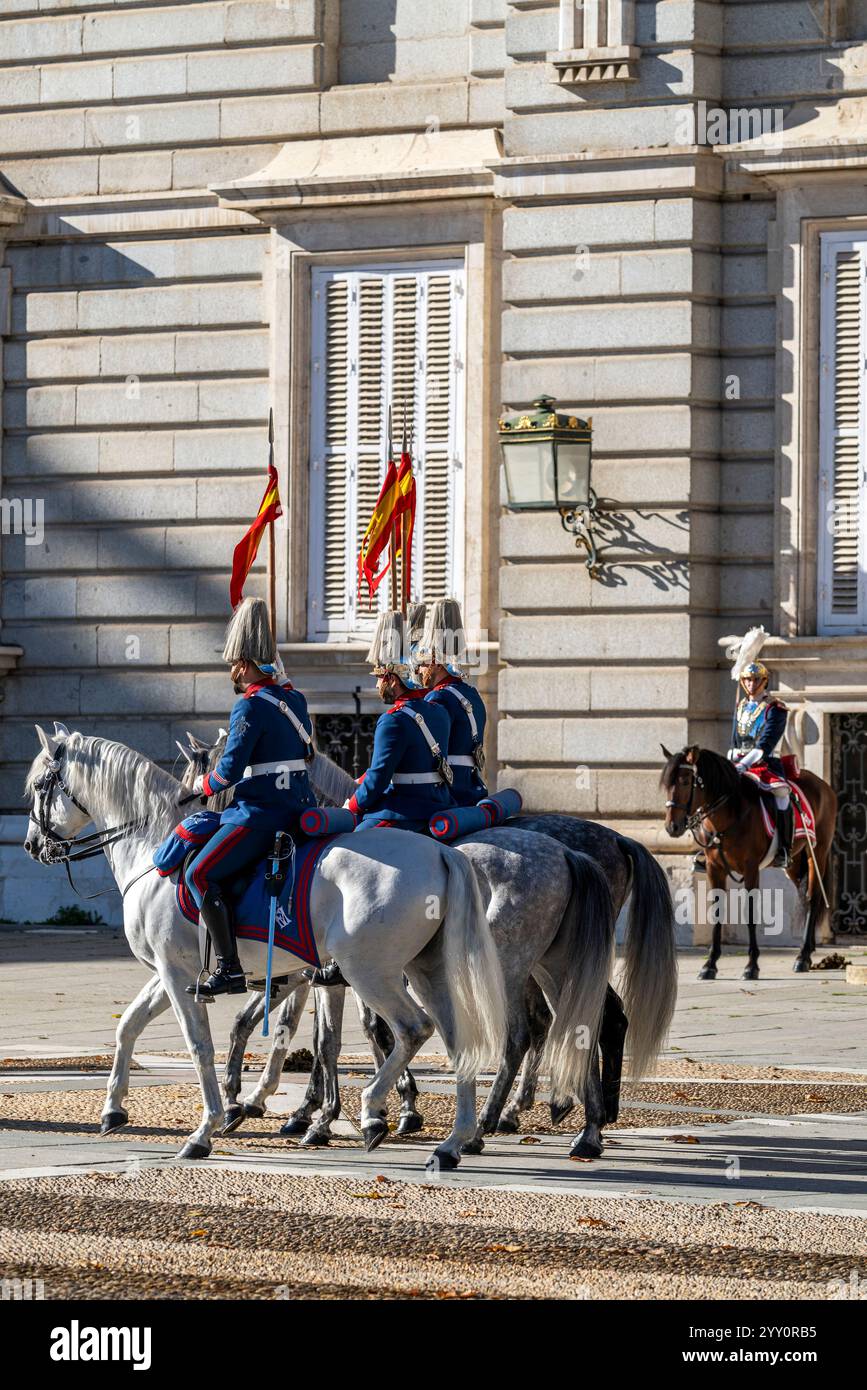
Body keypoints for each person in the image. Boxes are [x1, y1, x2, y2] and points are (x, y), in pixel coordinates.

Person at [306, 609, 454, 988]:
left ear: (392, 677)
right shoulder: (437, 712)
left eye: (378, 677)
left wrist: (349, 807)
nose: (376, 686)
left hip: (403, 812)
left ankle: (343, 953)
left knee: (344, 850)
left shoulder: (392, 720)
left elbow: (375, 786)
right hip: (438, 805)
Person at [183, 596, 316, 996]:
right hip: (300, 810)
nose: (233, 673)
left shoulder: (249, 708)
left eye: (233, 666)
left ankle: (229, 968)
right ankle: (268, 966)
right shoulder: (294, 699)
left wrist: (198, 786)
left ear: (243, 664)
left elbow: (227, 773)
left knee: (198, 874)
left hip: (260, 814)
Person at [415, 598, 488, 806]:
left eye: (423, 663)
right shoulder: (471, 693)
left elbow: (426, 755)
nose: (419, 671)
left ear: (437, 662)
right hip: (472, 787)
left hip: (449, 793)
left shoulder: (438, 697)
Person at [729, 660, 793, 868]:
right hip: (738, 762)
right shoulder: (740, 707)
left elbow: (765, 744)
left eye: (756, 679)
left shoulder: (776, 708)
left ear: (764, 681)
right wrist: (732, 759)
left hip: (765, 765)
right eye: (747, 679)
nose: (751, 683)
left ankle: (784, 848)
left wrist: (745, 765)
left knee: (782, 794)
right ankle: (707, 848)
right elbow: (734, 740)